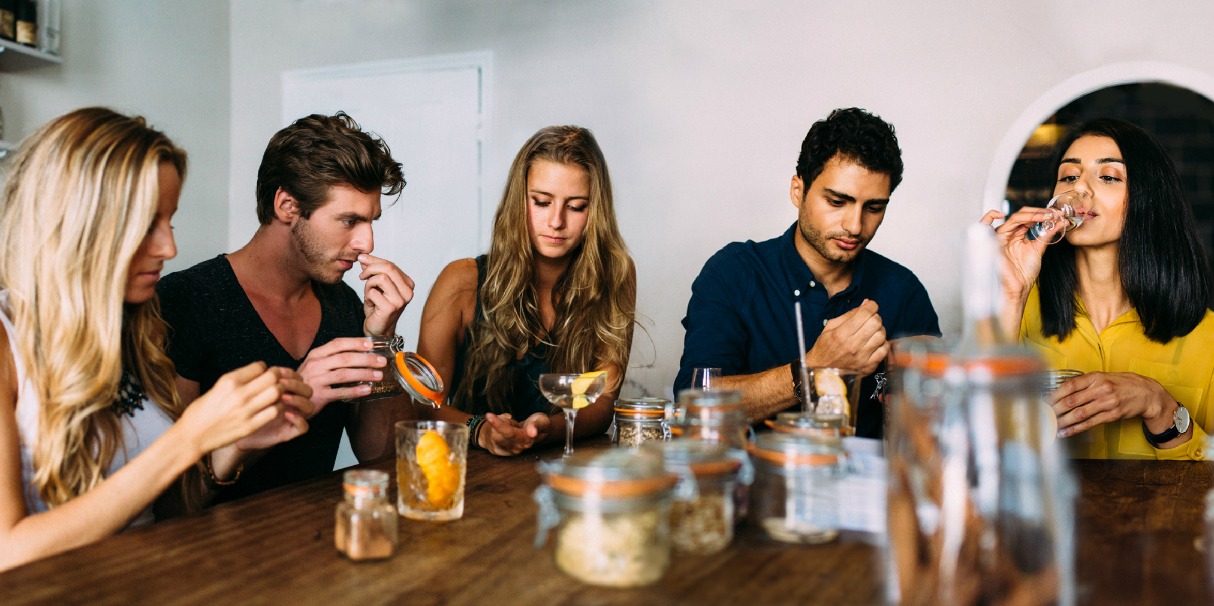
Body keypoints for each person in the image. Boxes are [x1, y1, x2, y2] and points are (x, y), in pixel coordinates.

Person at [0, 107, 314, 570]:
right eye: (147, 224)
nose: (169, 248)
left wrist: (232, 445)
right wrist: (189, 437)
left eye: (170, 221)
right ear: (79, 222)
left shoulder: (136, 326)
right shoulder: (7, 338)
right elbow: (8, 550)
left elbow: (162, 514)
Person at [157, 112, 413, 501]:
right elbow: (172, 496)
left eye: (371, 221)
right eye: (349, 221)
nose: (367, 243)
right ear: (287, 205)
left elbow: (382, 455)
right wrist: (295, 399)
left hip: (318, 530)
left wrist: (382, 339)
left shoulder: (344, 304)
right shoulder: (186, 301)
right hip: (213, 538)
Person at [674, 107, 940, 438]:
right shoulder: (735, 273)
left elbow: (939, 430)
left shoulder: (903, 292)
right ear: (798, 191)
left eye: (873, 207)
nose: (855, 226)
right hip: (758, 471)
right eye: (837, 202)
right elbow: (693, 406)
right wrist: (814, 367)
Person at [981, 118, 1214, 460]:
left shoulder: (1207, 337)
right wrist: (1010, 293)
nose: (1081, 189)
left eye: (1108, 176)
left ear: (1149, 197)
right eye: (1069, 176)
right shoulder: (1018, 308)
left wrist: (1159, 406)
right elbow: (977, 438)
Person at [416, 125, 635, 455]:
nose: (556, 221)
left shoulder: (616, 274)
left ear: (597, 210)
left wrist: (546, 430)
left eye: (576, 206)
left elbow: (603, 402)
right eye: (542, 202)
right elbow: (422, 405)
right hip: (464, 472)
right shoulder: (461, 281)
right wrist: (480, 431)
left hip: (561, 470)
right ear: (519, 200)